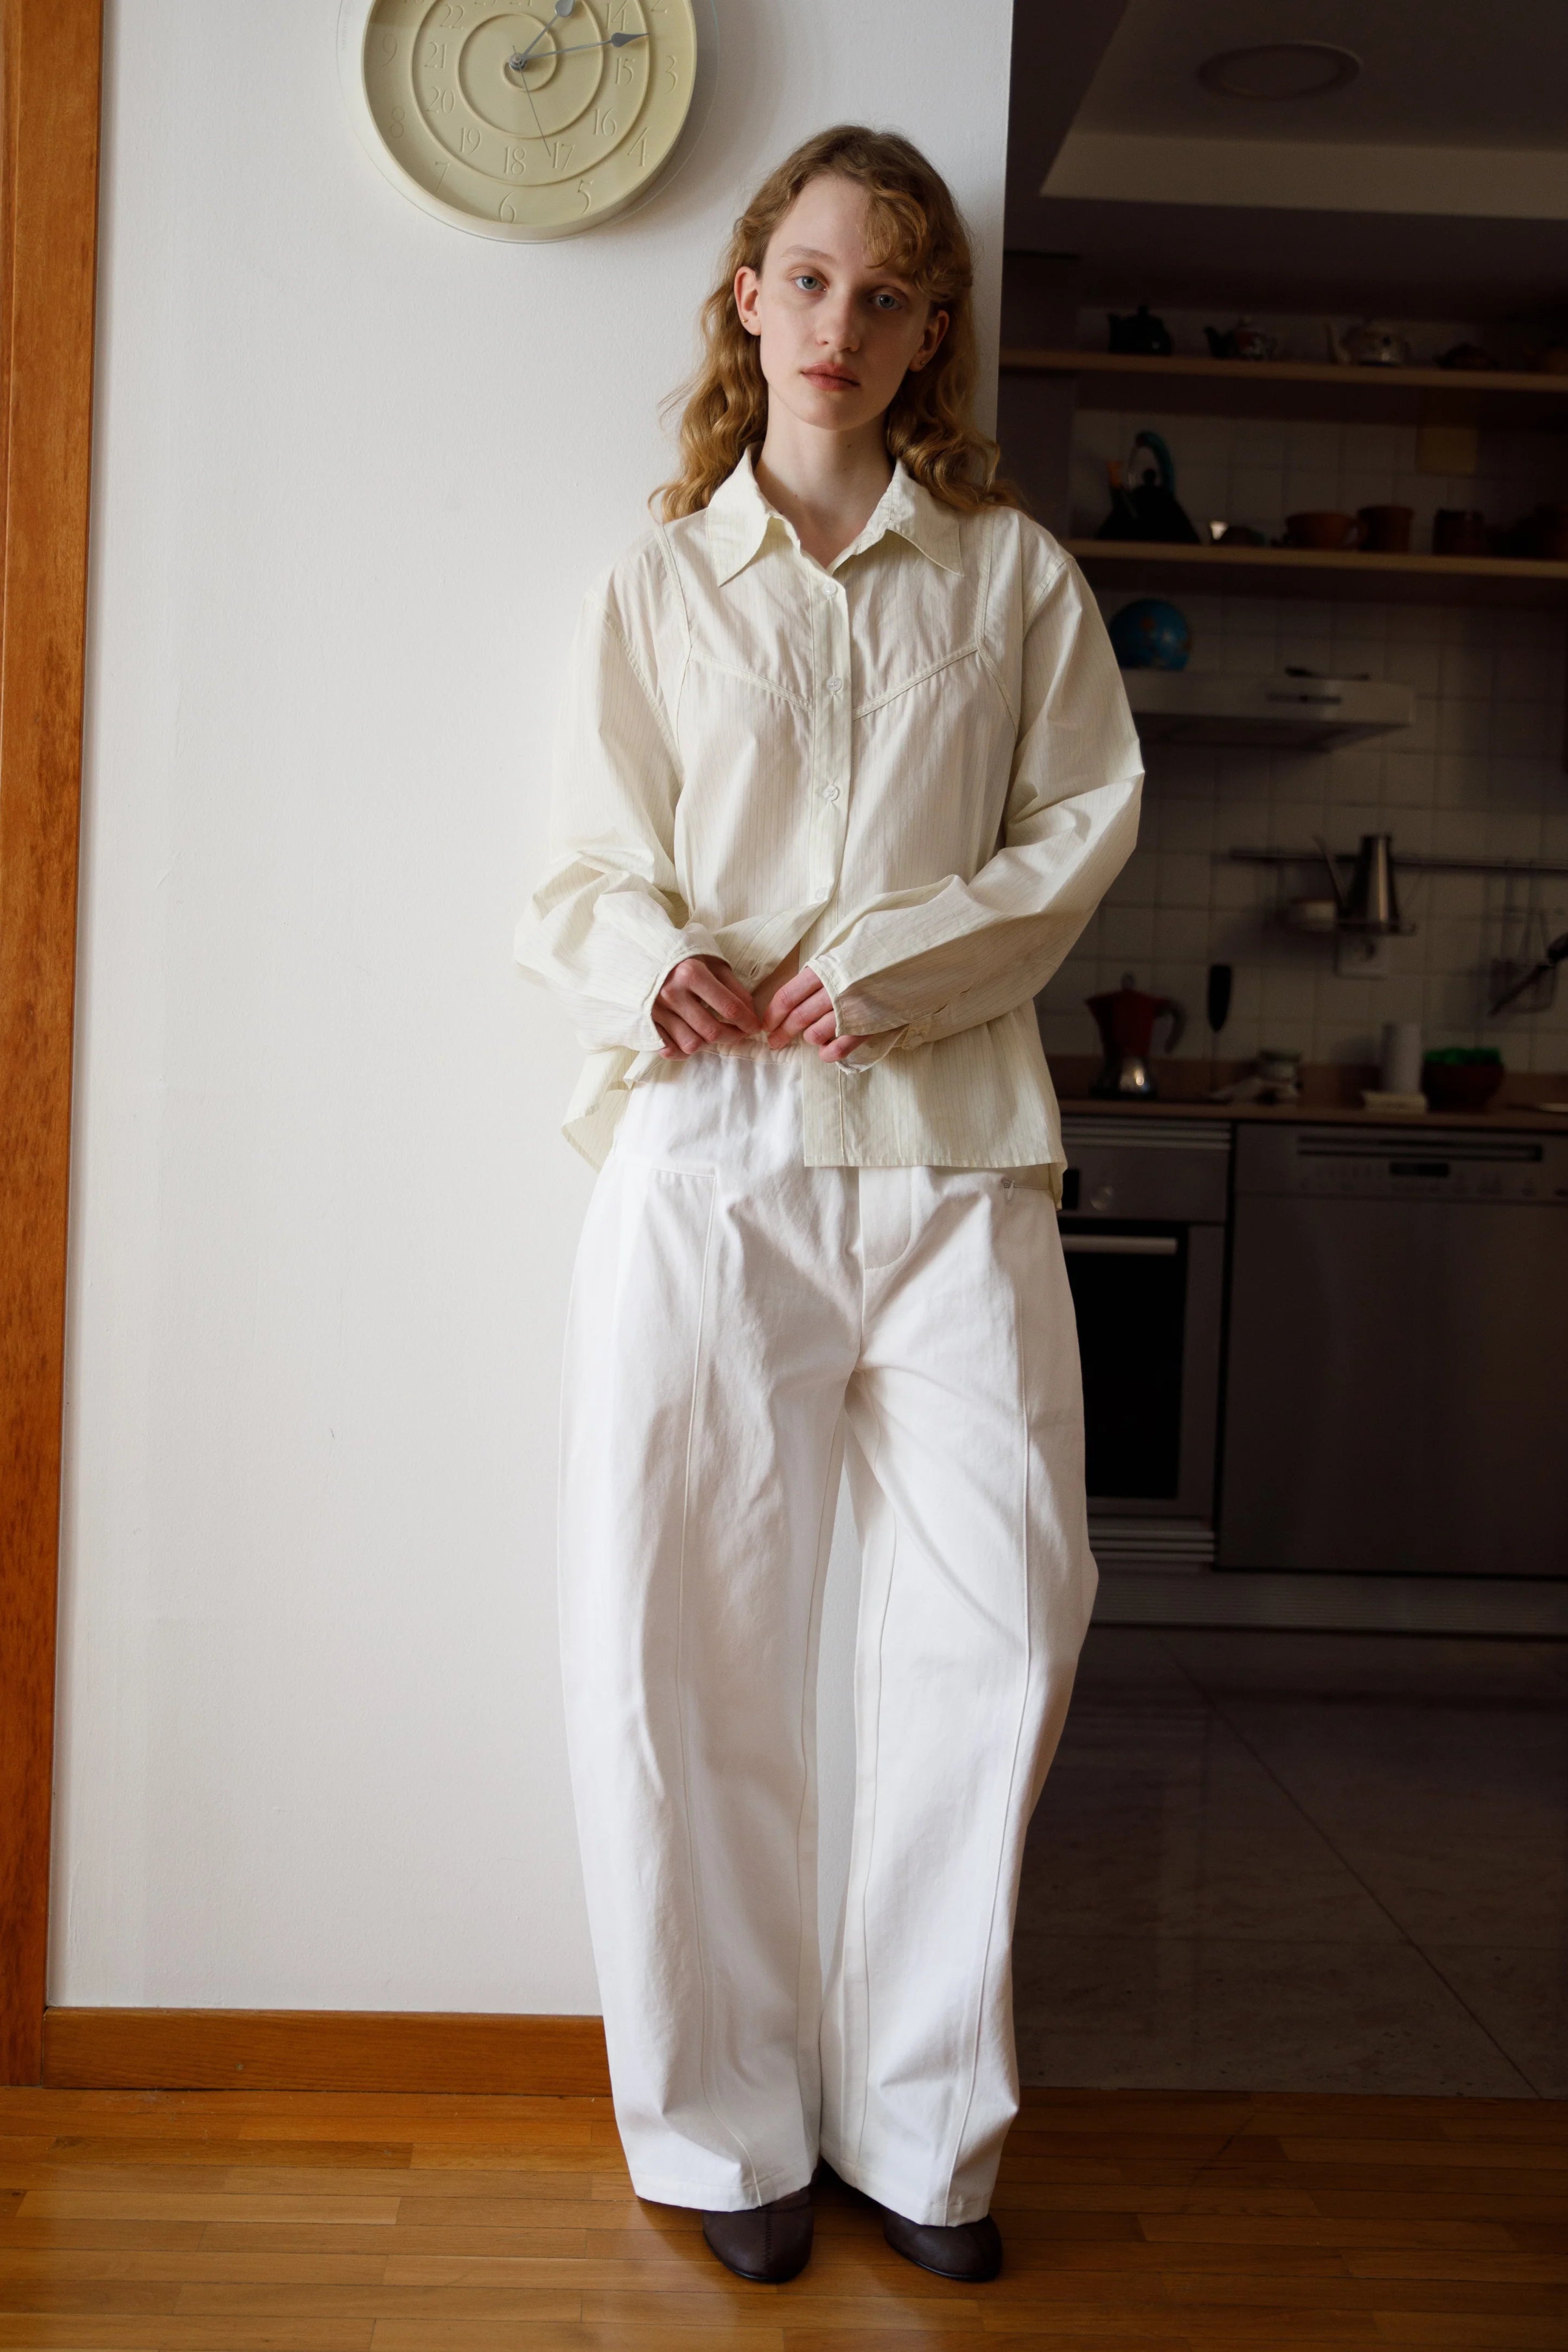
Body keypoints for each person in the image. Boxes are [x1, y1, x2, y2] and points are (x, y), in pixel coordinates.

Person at [516, 124, 1141, 2289]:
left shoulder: (1013, 578)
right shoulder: (655, 583)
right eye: (806, 278)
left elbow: (1078, 830)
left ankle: (918, 2129)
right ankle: (719, 2128)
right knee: (677, 1639)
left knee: (1002, 1621)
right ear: (747, 299)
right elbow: (579, 866)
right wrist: (645, 966)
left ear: (930, 330)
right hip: (709, 1158)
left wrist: (892, 966)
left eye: (885, 293)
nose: (839, 324)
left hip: (951, 1151)